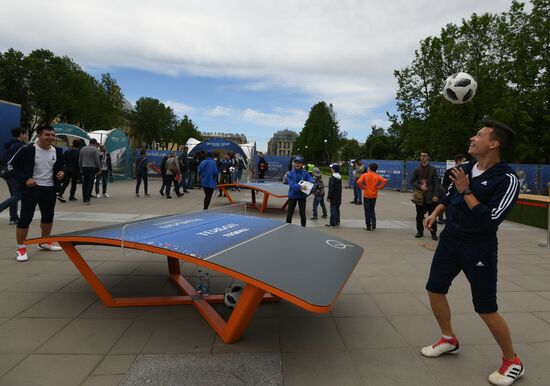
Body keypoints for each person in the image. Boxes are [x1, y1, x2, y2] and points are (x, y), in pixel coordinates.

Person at [421, 119, 523, 386]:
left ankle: (512, 361)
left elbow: (490, 219)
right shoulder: (463, 168)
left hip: (479, 247)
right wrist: (435, 213)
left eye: (479, 134)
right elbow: (448, 196)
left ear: (494, 143)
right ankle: (448, 338)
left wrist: (467, 189)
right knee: (434, 288)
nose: (472, 137)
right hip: (449, 240)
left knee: (486, 307)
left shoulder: (507, 179)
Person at [10, 125, 64, 262]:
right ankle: (21, 247)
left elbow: (62, 167)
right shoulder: (27, 149)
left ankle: (45, 242)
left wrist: (62, 172)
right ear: (39, 135)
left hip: (50, 189)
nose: (51, 137)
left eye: (52, 135)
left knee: (48, 216)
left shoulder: (57, 151)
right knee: (25, 218)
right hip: (32, 189)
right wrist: (25, 179)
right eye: (47, 135)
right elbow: (10, 166)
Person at [410, 150, 440, 240]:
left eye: (425, 156)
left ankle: (433, 232)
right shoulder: (417, 169)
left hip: (431, 196)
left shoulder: (433, 169)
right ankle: (420, 231)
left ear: (428, 157)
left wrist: (436, 195)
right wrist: (419, 186)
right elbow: (412, 181)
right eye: (421, 155)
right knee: (419, 215)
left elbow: (436, 183)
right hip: (419, 197)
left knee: (432, 215)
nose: (423, 157)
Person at [0, 127, 27, 224]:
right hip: (13, 173)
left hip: (6, 173)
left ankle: (14, 217)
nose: (26, 136)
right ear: (21, 134)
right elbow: (18, 161)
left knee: (14, 195)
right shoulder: (18, 146)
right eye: (25, 134)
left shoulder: (10, 145)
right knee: (18, 195)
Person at [438, 153, 468, 224]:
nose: (465, 162)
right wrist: (450, 190)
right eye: (464, 161)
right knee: (450, 211)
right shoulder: (449, 171)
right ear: (458, 161)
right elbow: (444, 183)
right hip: (451, 195)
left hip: (462, 195)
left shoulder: (466, 171)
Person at [356, 163, 387, 231]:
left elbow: (358, 182)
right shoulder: (376, 176)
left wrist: (363, 187)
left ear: (369, 168)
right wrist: (378, 187)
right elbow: (384, 181)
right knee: (372, 209)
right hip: (374, 195)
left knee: (367, 211)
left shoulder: (365, 175)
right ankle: (374, 224)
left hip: (366, 194)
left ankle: (368, 225)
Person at [285, 155, 314, 227]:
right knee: (289, 214)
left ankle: (303, 228)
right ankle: (287, 228)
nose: (297, 164)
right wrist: (299, 187)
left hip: (302, 196)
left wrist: (310, 182)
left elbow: (311, 179)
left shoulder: (305, 173)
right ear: (293, 163)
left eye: (299, 162)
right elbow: (291, 184)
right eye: (296, 162)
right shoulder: (290, 173)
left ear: (302, 164)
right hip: (292, 196)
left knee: (302, 214)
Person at [79, 138, 100, 205]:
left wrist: (80, 168)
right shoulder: (95, 149)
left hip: (84, 167)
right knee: (90, 183)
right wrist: (99, 168)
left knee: (85, 183)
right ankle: (87, 199)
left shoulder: (82, 149)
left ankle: (84, 198)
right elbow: (97, 160)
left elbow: (80, 160)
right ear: (95, 143)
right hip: (92, 168)